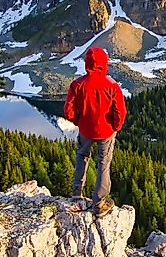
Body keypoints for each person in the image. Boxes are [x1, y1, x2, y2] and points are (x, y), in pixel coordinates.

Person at [64, 46, 127, 215]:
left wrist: (79, 121)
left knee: (81, 156)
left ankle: (76, 194)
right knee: (103, 164)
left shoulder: (77, 85)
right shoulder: (112, 85)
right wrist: (115, 127)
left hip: (85, 130)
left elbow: (68, 110)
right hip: (106, 132)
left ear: (87, 64)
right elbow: (120, 111)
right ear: (103, 64)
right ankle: (99, 204)